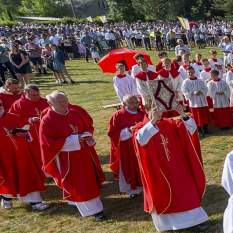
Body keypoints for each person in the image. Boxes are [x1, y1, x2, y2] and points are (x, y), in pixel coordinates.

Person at [131, 108, 208, 232]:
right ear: (147, 111)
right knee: (164, 193)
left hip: (179, 166)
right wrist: (153, 122)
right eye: (153, 110)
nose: (157, 112)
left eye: (158, 110)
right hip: (159, 170)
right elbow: (141, 139)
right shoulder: (140, 127)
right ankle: (168, 225)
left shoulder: (170, 123)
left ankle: (194, 221)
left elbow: (191, 128)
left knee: (186, 191)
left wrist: (182, 114)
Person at [0, 96, 48, 210]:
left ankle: (35, 202)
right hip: (1, 158)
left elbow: (27, 132)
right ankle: (6, 198)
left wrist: (25, 135)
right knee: (6, 178)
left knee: (27, 176)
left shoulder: (13, 117)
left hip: (22, 155)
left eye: (0, 104)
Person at [39, 92, 106, 220]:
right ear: (50, 104)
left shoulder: (75, 112)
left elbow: (88, 126)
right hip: (68, 159)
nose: (65, 104)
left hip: (84, 153)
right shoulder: (48, 120)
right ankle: (96, 211)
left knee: (89, 180)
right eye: (61, 102)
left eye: (66, 100)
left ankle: (87, 203)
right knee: (80, 183)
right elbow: (48, 143)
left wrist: (87, 135)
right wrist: (75, 139)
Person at [107, 94, 145, 197]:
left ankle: (144, 186)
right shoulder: (118, 115)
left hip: (141, 145)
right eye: (132, 102)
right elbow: (112, 133)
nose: (135, 105)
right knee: (130, 167)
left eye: (136, 102)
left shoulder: (142, 113)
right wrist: (128, 130)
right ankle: (132, 190)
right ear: (124, 103)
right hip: (127, 147)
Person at [8, 83, 50, 172]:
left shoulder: (45, 101)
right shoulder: (18, 104)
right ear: (26, 93)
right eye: (33, 95)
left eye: (38, 94)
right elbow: (12, 120)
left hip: (47, 132)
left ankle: (50, 168)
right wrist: (30, 119)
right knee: (35, 152)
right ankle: (40, 171)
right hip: (31, 133)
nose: (36, 97)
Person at [181, 67, 211, 134]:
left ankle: (206, 130)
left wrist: (202, 91)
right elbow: (184, 91)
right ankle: (199, 131)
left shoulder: (200, 80)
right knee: (196, 117)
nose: (190, 73)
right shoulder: (185, 82)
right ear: (187, 73)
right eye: (189, 72)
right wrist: (192, 93)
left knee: (204, 115)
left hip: (202, 101)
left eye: (191, 72)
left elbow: (205, 88)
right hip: (193, 102)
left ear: (194, 72)